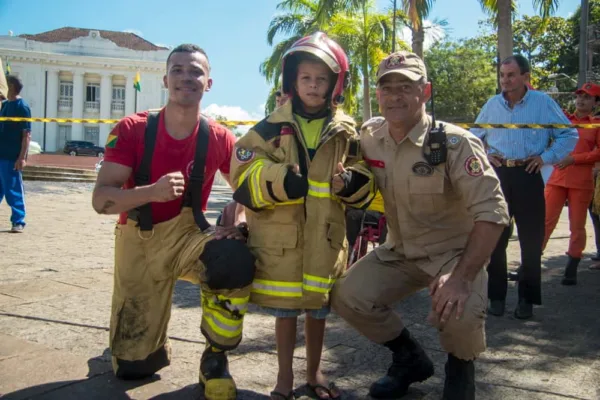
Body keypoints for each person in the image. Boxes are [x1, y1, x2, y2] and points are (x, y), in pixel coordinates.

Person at [331, 51, 509, 400]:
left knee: (458, 310)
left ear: (424, 92)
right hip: (399, 251)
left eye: (405, 87)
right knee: (346, 296)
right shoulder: (370, 136)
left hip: (453, 255)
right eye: (387, 87)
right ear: (378, 94)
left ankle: (460, 368)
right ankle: (409, 358)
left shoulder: (455, 143)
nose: (395, 95)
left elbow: (493, 212)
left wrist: (460, 278)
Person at [92, 44, 255, 400]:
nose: (187, 77)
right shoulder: (133, 129)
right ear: (165, 79)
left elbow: (248, 187)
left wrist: (237, 216)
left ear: (208, 83)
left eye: (195, 71)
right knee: (134, 369)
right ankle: (138, 346)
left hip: (189, 238)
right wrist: (150, 192)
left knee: (233, 259)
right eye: (178, 70)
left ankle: (215, 357)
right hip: (140, 240)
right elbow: (101, 200)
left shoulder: (219, 137)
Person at [230, 32, 376, 400]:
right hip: (282, 243)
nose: (313, 85)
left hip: (325, 240)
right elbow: (241, 171)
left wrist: (351, 183)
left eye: (321, 79)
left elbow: (367, 176)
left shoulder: (347, 131)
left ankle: (314, 373)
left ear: (334, 84)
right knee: (284, 313)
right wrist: (279, 181)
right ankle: (282, 380)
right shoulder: (268, 128)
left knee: (318, 311)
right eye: (306, 78)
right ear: (292, 82)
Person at [471, 55, 578, 319]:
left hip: (529, 175)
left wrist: (546, 157)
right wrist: (486, 154)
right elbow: (473, 135)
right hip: (498, 176)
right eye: (502, 75)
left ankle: (526, 300)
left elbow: (569, 133)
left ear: (525, 77)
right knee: (496, 238)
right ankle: (496, 297)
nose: (505, 80)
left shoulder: (542, 103)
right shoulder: (492, 105)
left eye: (511, 75)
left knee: (531, 242)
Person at [543, 82, 600, 285]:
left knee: (577, 226)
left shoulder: (596, 124)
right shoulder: (564, 120)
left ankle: (571, 268)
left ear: (595, 102)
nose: (581, 100)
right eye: (579, 96)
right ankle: (529, 264)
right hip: (557, 178)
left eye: (587, 97)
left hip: (581, 181)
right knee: (545, 221)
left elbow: (598, 152)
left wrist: (575, 159)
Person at [0, 75, 31, 233]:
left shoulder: (22, 106)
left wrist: (22, 158)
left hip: (11, 157)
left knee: (13, 191)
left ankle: (18, 220)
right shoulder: (4, 105)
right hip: (0, 154)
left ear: (10, 86)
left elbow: (26, 135)